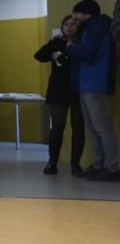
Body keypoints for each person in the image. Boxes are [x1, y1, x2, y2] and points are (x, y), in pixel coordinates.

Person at [65, 0, 118, 181]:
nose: (75, 18)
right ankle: (99, 164)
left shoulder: (98, 28)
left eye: (77, 14)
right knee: (95, 128)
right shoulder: (92, 27)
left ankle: (112, 166)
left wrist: (70, 47)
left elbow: (87, 53)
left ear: (86, 13)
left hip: (96, 83)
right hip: (87, 83)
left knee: (103, 128)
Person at [33, 15, 84, 176]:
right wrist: (55, 44)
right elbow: (39, 55)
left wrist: (61, 56)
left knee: (78, 128)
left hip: (77, 89)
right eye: (66, 24)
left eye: (73, 24)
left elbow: (76, 61)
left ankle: (75, 164)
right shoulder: (57, 42)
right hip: (58, 90)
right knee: (57, 127)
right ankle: (52, 162)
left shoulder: (81, 43)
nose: (69, 27)